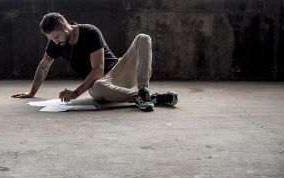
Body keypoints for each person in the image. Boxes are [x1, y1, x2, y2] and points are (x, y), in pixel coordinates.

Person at [12, 12, 178, 112]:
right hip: (100, 87)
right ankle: (148, 98)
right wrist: (32, 93)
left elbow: (98, 69)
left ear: (65, 26)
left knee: (143, 38)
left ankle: (144, 90)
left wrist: (75, 93)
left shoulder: (90, 32)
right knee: (97, 86)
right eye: (51, 39)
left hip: (118, 73)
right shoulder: (56, 44)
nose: (55, 41)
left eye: (56, 37)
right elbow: (43, 67)